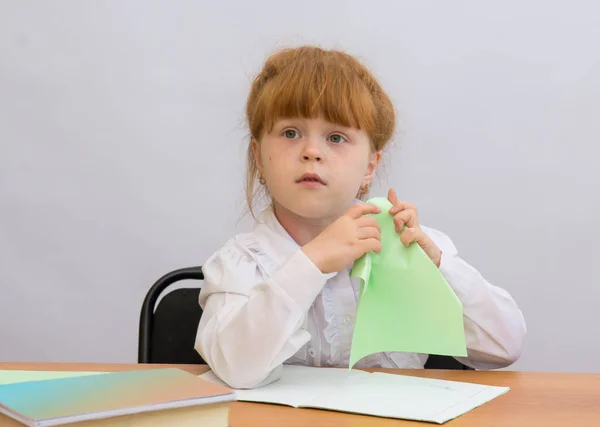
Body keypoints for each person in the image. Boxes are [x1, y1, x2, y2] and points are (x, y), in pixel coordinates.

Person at [194, 45, 526, 389]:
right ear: (259, 158)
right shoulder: (239, 262)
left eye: (336, 137)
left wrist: (439, 266)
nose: (311, 152)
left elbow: (504, 346)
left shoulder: (407, 244)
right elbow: (237, 368)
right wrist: (312, 263)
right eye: (290, 133)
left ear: (370, 166)